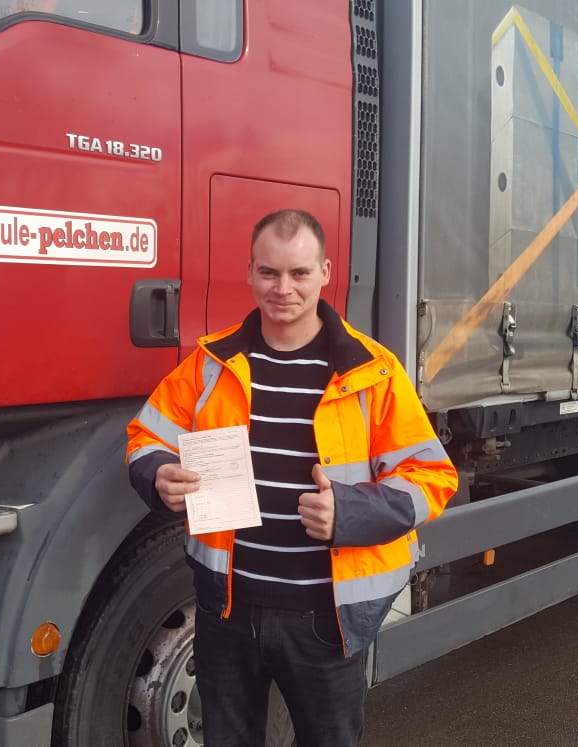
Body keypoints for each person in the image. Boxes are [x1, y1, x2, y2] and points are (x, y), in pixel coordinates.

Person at [126, 209, 458, 746]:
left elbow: (432, 477)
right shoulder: (211, 364)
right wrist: (158, 473)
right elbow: (146, 436)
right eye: (269, 272)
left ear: (325, 272)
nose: (283, 289)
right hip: (226, 611)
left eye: (299, 273)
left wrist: (349, 511)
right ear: (250, 272)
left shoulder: (371, 372)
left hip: (323, 619)